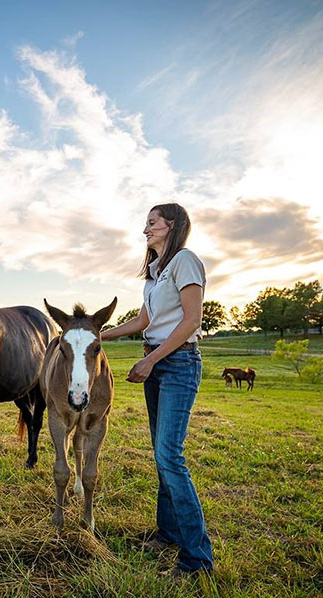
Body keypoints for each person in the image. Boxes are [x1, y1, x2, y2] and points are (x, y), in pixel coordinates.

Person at [100, 203, 214, 576]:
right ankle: (167, 533)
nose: (145, 229)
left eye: (152, 222)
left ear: (173, 225)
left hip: (179, 362)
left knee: (170, 456)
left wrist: (151, 361)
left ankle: (197, 560)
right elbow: (143, 321)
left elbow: (191, 320)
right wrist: (98, 334)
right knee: (160, 454)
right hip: (158, 361)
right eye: (146, 223)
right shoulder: (154, 273)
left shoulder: (185, 261)